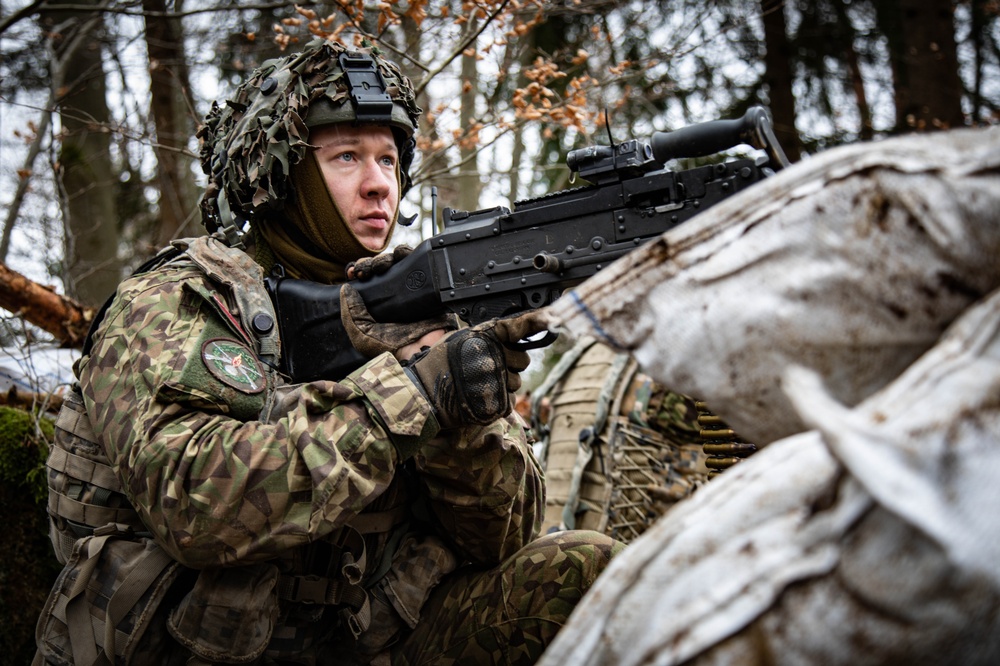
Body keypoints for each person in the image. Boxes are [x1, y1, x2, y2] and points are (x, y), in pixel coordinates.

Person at [35, 38, 622, 666]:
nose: (379, 187)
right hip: (189, 650)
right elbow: (194, 506)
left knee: (583, 570)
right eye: (347, 157)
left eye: (389, 160)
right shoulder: (176, 300)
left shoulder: (411, 312)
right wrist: (412, 395)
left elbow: (508, 535)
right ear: (280, 175)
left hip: (364, 642)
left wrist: (462, 414)